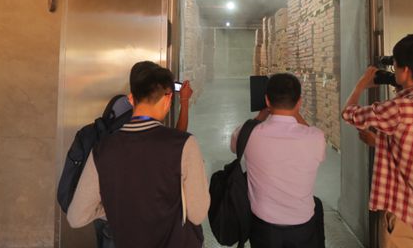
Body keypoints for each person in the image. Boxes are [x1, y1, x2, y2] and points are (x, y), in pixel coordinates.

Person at [67, 61, 210, 248]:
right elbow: (197, 214)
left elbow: (76, 217)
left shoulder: (102, 150)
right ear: (168, 99)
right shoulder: (184, 145)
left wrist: (115, 208)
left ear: (131, 99)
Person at [342, 33, 413, 248]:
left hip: (406, 219)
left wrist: (361, 85)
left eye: (396, 65)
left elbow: (349, 113)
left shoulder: (399, 109)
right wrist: (379, 142)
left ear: (406, 71)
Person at [230, 73, 326, 248]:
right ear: (299, 102)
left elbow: (234, 146)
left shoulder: (247, 134)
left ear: (267, 100)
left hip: (263, 226)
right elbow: (308, 130)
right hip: (302, 224)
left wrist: (261, 116)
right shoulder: (316, 137)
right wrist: (295, 113)